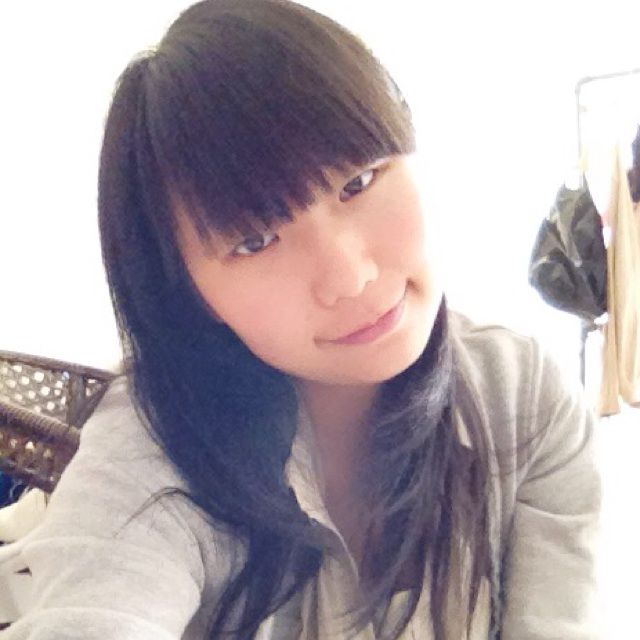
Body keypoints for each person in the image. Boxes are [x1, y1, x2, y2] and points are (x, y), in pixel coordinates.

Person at [0, 0, 601, 638]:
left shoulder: (522, 399)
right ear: (188, 292)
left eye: (359, 182)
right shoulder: (155, 444)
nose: (350, 278)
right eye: (255, 241)